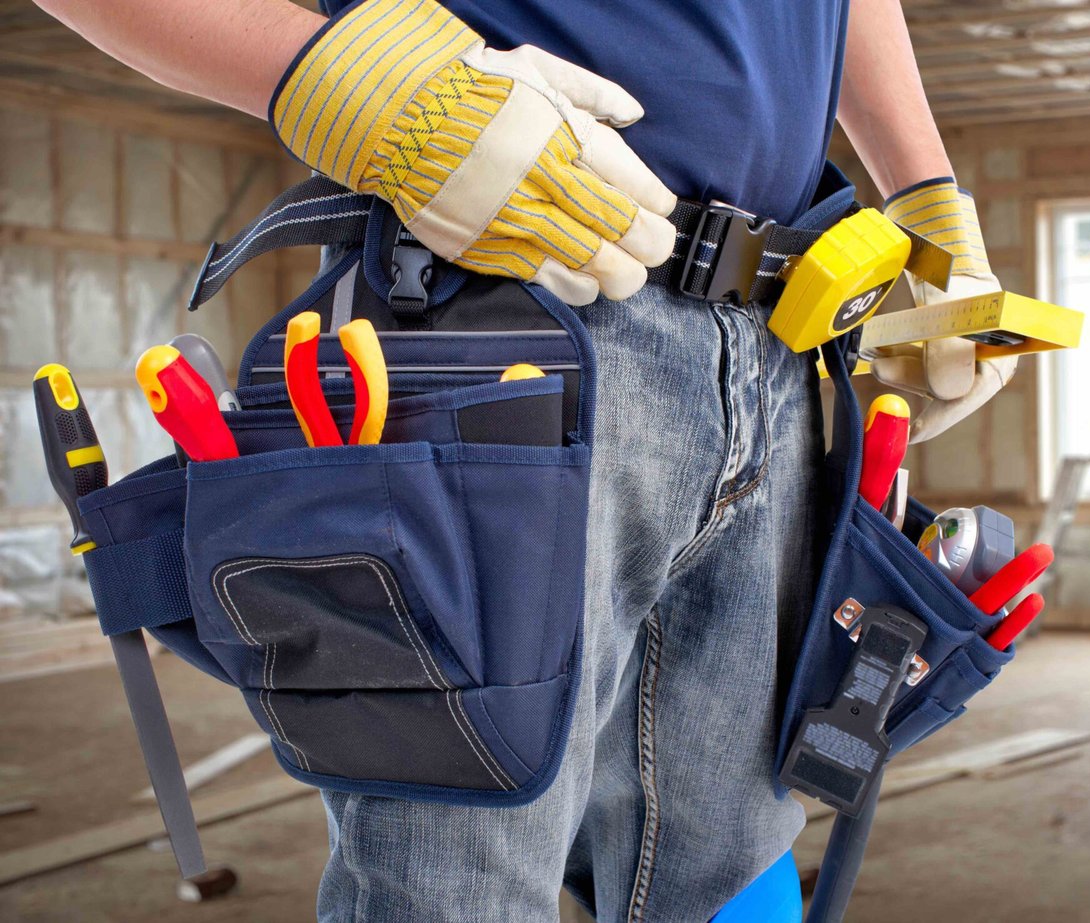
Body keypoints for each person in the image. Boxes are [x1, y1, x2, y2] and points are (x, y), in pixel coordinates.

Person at [34, 0, 1011, 918]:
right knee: (459, 877)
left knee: (739, 870)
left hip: (783, 331)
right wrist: (321, 70)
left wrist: (925, 191)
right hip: (503, 305)